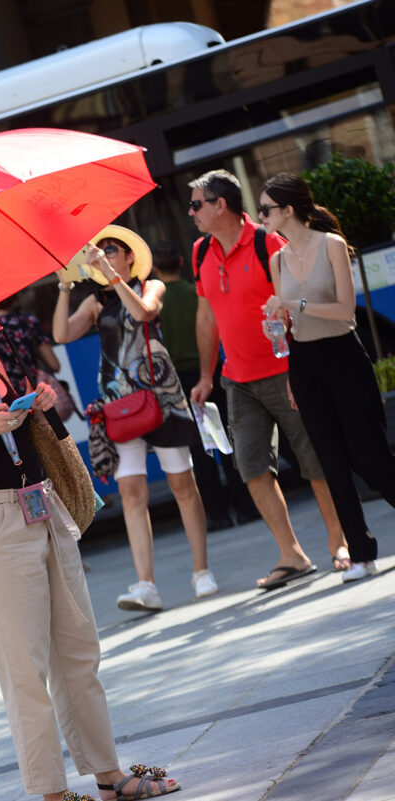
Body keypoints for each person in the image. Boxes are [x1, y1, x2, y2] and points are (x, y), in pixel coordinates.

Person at [0, 268, 181, 801]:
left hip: (44, 510)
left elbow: (30, 435)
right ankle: (52, 793)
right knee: (26, 673)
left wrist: (37, 407)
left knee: (80, 651)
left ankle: (107, 775)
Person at [187, 169, 346, 590]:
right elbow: (207, 316)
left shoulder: (267, 242)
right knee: (252, 467)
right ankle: (291, 555)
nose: (191, 213)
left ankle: (338, 541)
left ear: (222, 205)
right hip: (236, 379)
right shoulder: (200, 251)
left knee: (314, 459)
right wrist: (206, 376)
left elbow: (293, 307)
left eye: (197, 204)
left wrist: (301, 368)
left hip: (285, 372)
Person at [53, 226, 216, 611]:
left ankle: (201, 571)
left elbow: (144, 312)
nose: (106, 255)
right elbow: (61, 334)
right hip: (118, 401)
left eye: (113, 250)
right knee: (131, 491)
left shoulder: (151, 285)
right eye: (102, 251)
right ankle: (146, 584)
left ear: (130, 257)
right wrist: (63, 286)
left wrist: (111, 278)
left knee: (182, 484)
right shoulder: (95, 300)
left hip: (160, 394)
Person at [259, 172, 395, 583]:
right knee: (332, 464)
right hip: (304, 364)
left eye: (265, 209)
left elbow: (345, 312)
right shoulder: (277, 259)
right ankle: (361, 553)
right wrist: (276, 327)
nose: (260, 215)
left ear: (287, 210)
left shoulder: (331, 245)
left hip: (344, 358)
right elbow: (288, 320)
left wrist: (293, 302)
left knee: (370, 458)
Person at [150, 242, 254, 532]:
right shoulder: (197, 293)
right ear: (182, 261)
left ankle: (217, 514)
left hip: (178, 381)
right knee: (227, 439)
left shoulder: (154, 301)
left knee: (199, 449)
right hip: (210, 371)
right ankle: (246, 505)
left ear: (155, 269)